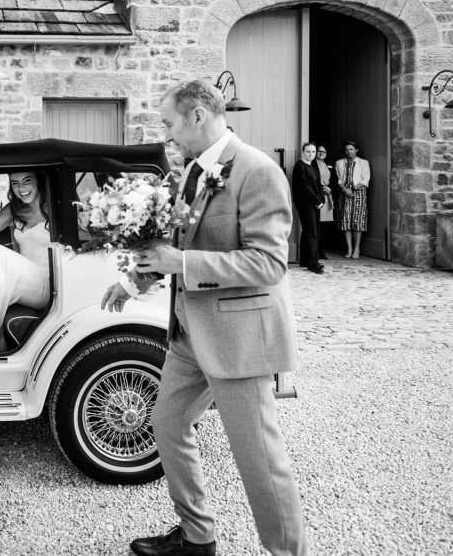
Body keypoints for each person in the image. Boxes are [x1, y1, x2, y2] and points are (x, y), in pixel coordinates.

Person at [103, 79, 307, 556]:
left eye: (170, 123)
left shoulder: (258, 170)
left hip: (238, 339)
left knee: (260, 461)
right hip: (188, 335)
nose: (167, 135)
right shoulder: (190, 173)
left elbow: (269, 263)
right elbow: (177, 248)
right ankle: (197, 538)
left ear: (198, 116)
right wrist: (133, 282)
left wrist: (184, 265)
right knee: (167, 424)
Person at [0, 171, 51, 353]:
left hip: (51, 284)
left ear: (39, 181)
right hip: (25, 281)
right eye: (15, 183)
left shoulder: (57, 209)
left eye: (27, 181)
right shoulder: (15, 209)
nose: (21, 188)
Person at [292, 141, 324, 274]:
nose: (311, 154)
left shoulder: (313, 166)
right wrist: (317, 201)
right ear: (303, 152)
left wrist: (321, 199)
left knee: (310, 230)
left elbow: (318, 185)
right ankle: (312, 263)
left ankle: (305, 260)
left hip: (314, 203)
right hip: (305, 202)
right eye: (308, 152)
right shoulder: (300, 166)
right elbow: (305, 187)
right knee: (311, 231)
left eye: (313, 152)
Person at [335, 141, 370, 259]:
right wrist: (345, 190)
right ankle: (349, 248)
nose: (349, 152)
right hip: (345, 194)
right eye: (346, 150)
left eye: (351, 149)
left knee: (357, 222)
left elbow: (366, 179)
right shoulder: (339, 162)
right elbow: (338, 179)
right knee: (346, 222)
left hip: (359, 194)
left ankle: (356, 248)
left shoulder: (363, 162)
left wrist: (353, 189)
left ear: (356, 150)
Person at [314, 145, 336, 259]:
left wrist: (330, 188)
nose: (321, 153)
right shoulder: (312, 164)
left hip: (328, 196)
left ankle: (321, 250)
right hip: (318, 195)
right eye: (319, 151)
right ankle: (316, 251)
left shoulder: (330, 165)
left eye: (324, 151)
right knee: (317, 225)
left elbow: (335, 179)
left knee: (324, 226)